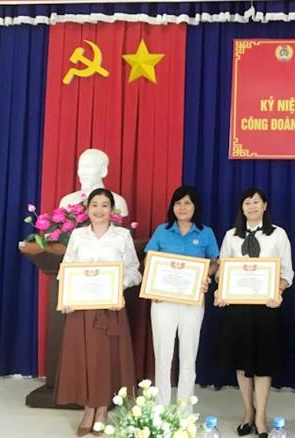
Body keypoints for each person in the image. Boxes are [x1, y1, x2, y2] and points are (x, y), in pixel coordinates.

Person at [54, 188, 141, 436]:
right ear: (87, 209)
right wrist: (66, 297)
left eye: (104, 205)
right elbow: (66, 268)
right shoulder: (78, 235)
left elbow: (134, 271)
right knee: (83, 359)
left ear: (112, 210)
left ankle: (102, 409)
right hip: (81, 308)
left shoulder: (122, 236)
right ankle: (88, 409)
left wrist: (117, 287)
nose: (99, 210)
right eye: (94, 205)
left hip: (110, 308)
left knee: (105, 359)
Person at [214, 187, 293, 438]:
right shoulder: (231, 236)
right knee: (241, 361)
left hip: (266, 307)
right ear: (242, 207)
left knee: (263, 362)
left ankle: (261, 416)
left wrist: (278, 290)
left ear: (265, 206)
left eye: (256, 202)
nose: (252, 206)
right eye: (247, 203)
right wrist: (220, 290)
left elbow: (287, 272)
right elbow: (222, 271)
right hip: (238, 308)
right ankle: (248, 412)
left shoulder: (278, 234)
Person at [144, 185, 219, 407]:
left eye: (187, 203)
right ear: (172, 207)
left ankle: (185, 410)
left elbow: (214, 262)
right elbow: (149, 260)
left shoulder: (205, 233)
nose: (182, 207)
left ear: (195, 206)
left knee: (188, 356)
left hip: (192, 301)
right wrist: (153, 284)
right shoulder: (162, 231)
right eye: (178, 203)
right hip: (163, 300)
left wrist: (205, 275)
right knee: (163, 355)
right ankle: (160, 408)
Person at [59, 148, 129, 216]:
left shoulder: (117, 201)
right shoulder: (67, 201)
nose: (84, 172)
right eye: (81, 167)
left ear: (104, 171)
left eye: (89, 167)